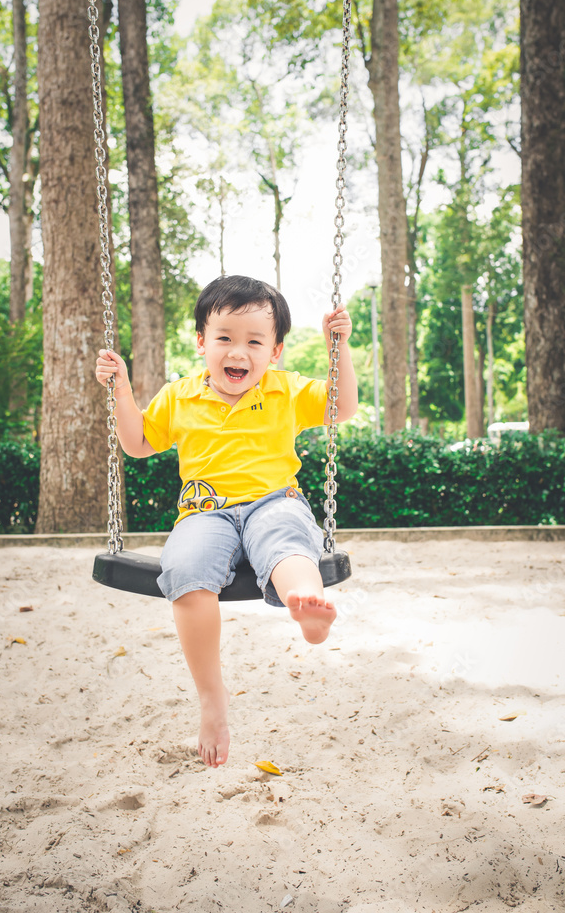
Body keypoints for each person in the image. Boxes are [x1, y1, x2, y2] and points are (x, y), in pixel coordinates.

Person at [95, 275, 358, 768]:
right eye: (225, 338)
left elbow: (342, 406)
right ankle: (212, 700)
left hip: (272, 499)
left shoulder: (285, 390)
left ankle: (308, 606)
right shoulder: (180, 396)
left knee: (286, 539)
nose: (239, 351)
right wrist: (122, 391)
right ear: (201, 342)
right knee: (185, 571)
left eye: (255, 341)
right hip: (204, 511)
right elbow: (138, 443)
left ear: (275, 351)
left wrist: (336, 348)